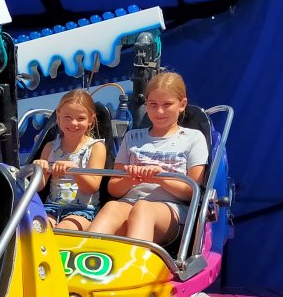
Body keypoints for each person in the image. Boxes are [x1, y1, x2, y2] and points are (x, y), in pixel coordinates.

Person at [88, 72, 208, 244]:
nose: (159, 111)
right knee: (111, 206)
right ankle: (88, 252)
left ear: (182, 104)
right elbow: (114, 189)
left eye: (167, 104)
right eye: (153, 104)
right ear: (146, 104)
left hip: (172, 210)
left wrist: (159, 178)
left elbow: (192, 192)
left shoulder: (193, 138)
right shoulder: (131, 137)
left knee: (143, 209)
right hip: (129, 203)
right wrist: (130, 179)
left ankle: (135, 258)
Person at [32, 89, 107, 230]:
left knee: (63, 229)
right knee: (37, 230)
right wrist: (40, 170)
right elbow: (39, 187)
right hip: (51, 208)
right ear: (58, 116)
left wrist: (74, 170)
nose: (73, 123)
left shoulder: (96, 147)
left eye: (80, 118)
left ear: (91, 119)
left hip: (83, 211)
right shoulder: (50, 147)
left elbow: (92, 187)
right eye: (67, 117)